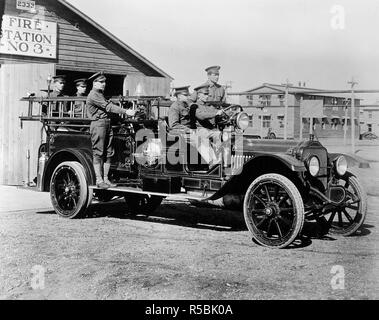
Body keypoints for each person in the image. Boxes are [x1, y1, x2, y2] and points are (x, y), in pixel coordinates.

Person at [86, 72, 136, 189]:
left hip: (106, 124)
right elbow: (108, 107)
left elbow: (109, 105)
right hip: (98, 124)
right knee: (98, 152)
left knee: (109, 152)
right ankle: (99, 180)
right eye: (101, 82)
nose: (104, 84)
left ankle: (106, 179)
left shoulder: (100, 95)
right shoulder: (93, 95)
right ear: (94, 83)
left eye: (104, 82)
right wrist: (126, 111)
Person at [191, 84, 224, 165]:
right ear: (199, 95)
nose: (207, 96)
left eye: (207, 94)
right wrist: (216, 113)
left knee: (218, 134)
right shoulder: (194, 106)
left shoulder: (208, 106)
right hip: (200, 129)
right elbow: (201, 116)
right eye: (205, 94)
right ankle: (212, 162)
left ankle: (220, 160)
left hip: (209, 129)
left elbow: (214, 113)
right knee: (204, 135)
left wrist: (223, 114)